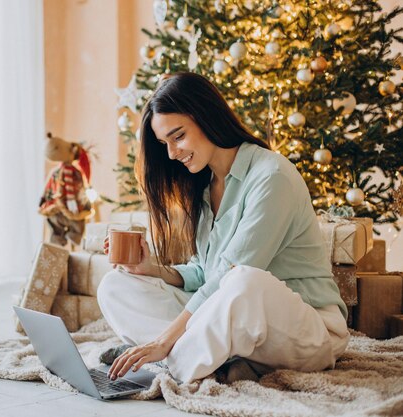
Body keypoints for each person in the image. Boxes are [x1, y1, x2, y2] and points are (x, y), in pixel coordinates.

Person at [97, 73, 349, 384]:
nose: (172, 154)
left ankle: (171, 363)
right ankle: (199, 357)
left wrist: (164, 340)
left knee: (244, 280)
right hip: (240, 325)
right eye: (165, 143)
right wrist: (155, 269)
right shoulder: (204, 187)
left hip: (308, 330)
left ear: (206, 116)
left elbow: (233, 274)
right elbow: (205, 274)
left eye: (178, 137)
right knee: (115, 286)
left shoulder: (272, 176)